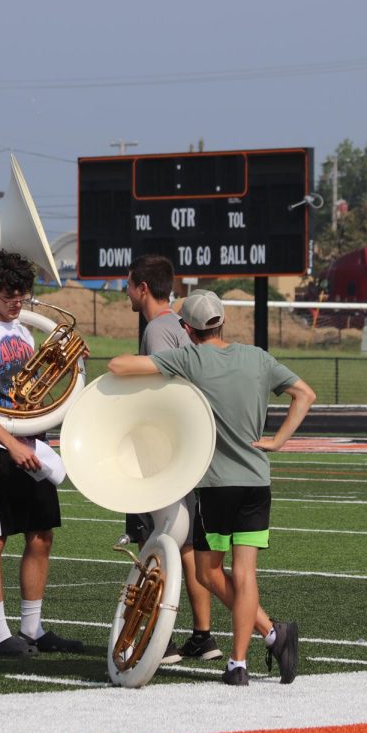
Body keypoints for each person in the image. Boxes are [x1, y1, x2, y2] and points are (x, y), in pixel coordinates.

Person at [108, 289, 316, 686]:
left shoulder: (189, 358)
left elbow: (119, 365)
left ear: (187, 328)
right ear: (222, 321)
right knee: (246, 574)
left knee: (208, 574)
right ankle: (244, 658)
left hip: (215, 485)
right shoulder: (258, 357)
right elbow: (305, 394)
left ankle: (271, 634)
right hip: (257, 480)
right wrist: (279, 440)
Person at [0, 250, 83, 657]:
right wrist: (9, 443)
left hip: (31, 442)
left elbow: (31, 388)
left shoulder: (24, 332)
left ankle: (32, 628)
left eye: (22, 295)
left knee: (41, 536)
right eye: (9, 295)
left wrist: (66, 362)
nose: (17, 302)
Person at [123, 255, 221, 665]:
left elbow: (167, 390)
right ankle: (202, 636)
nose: (125, 292)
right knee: (186, 547)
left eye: (128, 285)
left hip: (172, 450)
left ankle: (150, 640)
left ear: (143, 288)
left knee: (162, 542)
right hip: (191, 448)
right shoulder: (178, 326)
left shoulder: (159, 329)